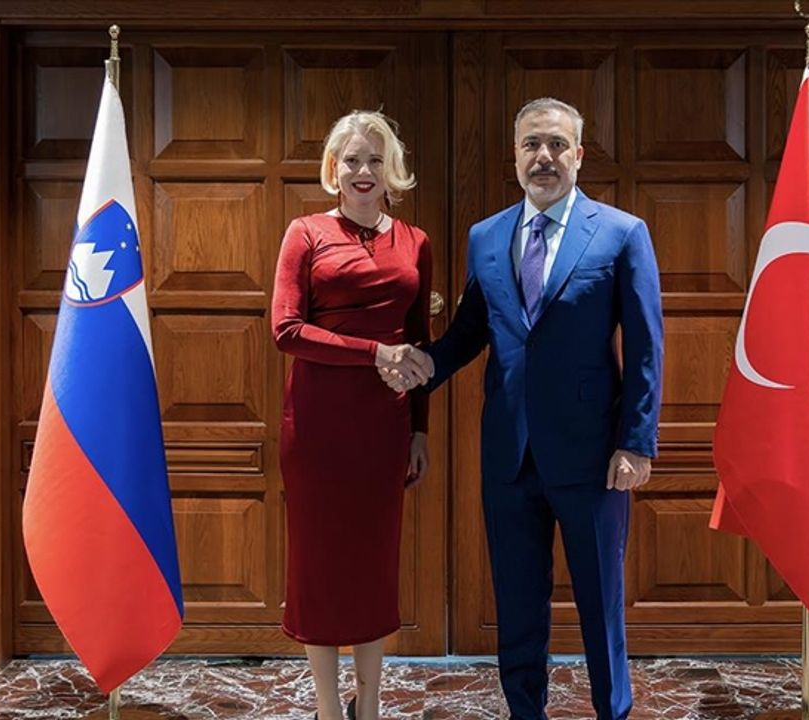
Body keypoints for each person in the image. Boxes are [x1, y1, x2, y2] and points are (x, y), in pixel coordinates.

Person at [382, 97, 663, 720]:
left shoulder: (621, 233)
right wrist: (421, 367)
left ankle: (612, 711)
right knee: (516, 605)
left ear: (579, 155)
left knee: (600, 605)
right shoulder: (486, 236)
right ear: (515, 155)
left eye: (557, 144)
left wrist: (636, 441)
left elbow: (646, 347)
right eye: (532, 144)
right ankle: (524, 712)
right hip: (509, 455)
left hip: (594, 457)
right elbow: (470, 330)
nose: (544, 157)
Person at [271, 110, 434, 720]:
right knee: (318, 566)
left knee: (372, 565)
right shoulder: (305, 233)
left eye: (375, 160)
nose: (363, 171)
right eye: (352, 160)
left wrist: (420, 429)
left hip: (384, 428)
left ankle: (369, 702)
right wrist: (374, 353)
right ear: (333, 168)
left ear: (392, 169)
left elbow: (419, 343)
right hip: (316, 427)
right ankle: (326, 706)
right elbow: (286, 329)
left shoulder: (415, 241)